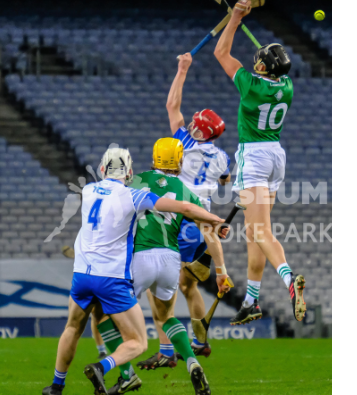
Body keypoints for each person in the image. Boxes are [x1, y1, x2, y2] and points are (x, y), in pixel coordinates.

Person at [42, 148, 227, 395]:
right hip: (115, 276)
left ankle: (56, 386)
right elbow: (184, 208)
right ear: (129, 172)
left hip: (82, 275)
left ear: (101, 170)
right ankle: (106, 366)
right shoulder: (133, 195)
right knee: (140, 340)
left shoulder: (87, 191)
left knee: (74, 327)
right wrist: (215, 219)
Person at [97, 138, 230, 395]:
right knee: (166, 316)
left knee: (103, 314)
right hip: (171, 260)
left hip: (140, 257)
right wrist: (222, 271)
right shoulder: (185, 190)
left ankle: (126, 375)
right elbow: (210, 231)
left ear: (155, 157)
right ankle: (192, 362)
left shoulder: (136, 181)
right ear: (179, 161)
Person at [135, 51, 233, 363]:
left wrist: (182, 69)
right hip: (204, 227)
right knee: (189, 286)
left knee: (161, 287)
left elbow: (171, 105)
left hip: (179, 217)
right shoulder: (221, 157)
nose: (191, 125)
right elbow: (225, 181)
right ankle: (201, 341)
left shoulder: (182, 141)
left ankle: (166, 350)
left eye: (196, 124)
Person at [214, 0, 306, 325]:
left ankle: (288, 280)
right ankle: (252, 300)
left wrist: (235, 18)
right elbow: (270, 68)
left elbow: (221, 54)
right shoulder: (288, 87)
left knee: (261, 232)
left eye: (260, 61)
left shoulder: (251, 87)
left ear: (265, 68)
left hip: (253, 156)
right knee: (253, 234)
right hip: (276, 157)